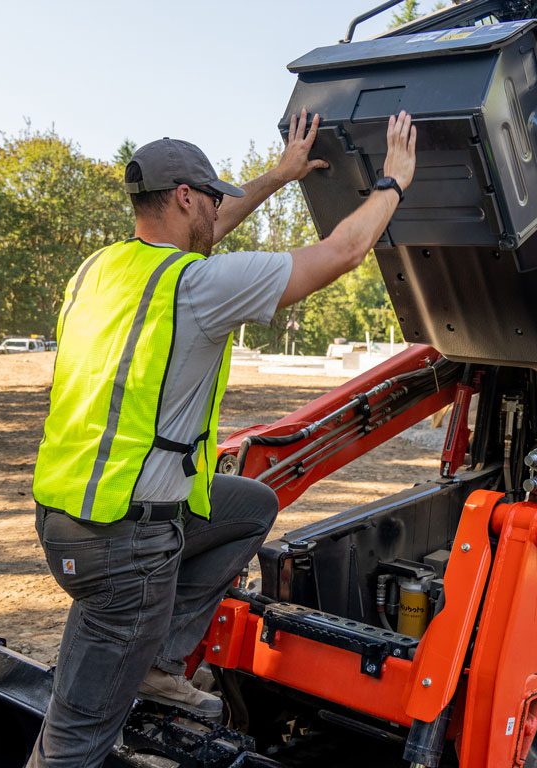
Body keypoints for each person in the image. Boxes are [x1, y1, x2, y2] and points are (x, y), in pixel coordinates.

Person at [28, 109, 417, 767]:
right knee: (75, 742)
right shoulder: (196, 289)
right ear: (185, 197)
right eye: (214, 198)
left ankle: (157, 662)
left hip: (68, 518)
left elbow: (209, 237)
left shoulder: (104, 270)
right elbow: (343, 251)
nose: (220, 210)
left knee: (248, 507)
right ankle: (139, 661)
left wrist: (281, 177)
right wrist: (395, 181)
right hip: (126, 546)